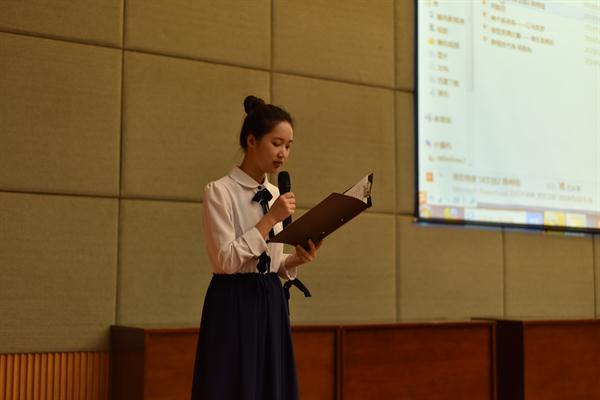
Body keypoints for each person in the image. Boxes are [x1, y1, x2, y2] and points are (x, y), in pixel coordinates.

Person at [191, 95, 322, 400]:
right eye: (276, 143)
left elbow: (270, 261)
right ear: (252, 141)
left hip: (270, 298)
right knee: (232, 386)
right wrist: (270, 219)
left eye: (288, 146)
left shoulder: (275, 193)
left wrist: (295, 260)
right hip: (233, 301)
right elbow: (225, 260)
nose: (283, 153)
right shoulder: (220, 191)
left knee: (270, 387)